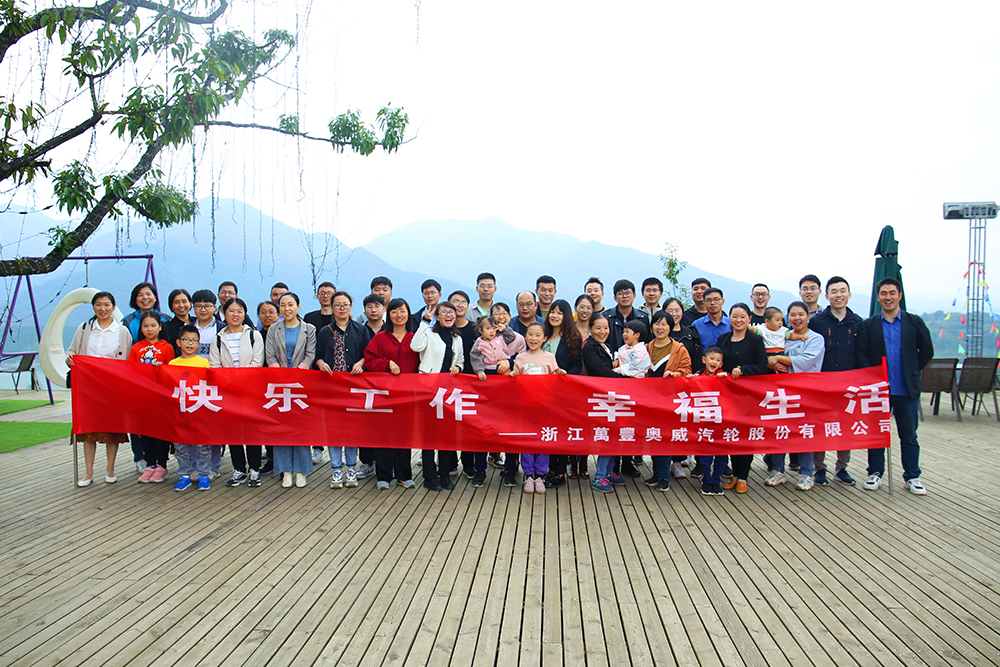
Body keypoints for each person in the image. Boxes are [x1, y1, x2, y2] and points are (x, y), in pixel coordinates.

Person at [856, 278, 933, 495]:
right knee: (877, 433)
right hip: (878, 390)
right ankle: (875, 472)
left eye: (892, 293)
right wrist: (872, 375)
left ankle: (912, 476)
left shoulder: (914, 322)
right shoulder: (869, 325)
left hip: (906, 389)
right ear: (878, 297)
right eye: (883, 293)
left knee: (909, 435)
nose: (888, 297)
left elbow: (927, 350)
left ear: (900, 295)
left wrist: (913, 369)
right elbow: (861, 353)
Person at [67, 291, 132, 487]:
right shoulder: (84, 328)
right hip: (87, 387)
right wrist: (71, 360)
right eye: (98, 305)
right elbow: (72, 352)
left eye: (106, 305)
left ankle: (110, 469)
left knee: (112, 429)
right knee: (89, 430)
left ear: (113, 307)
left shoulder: (122, 331)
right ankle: (88, 472)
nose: (102, 309)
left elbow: (127, 361)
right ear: (93, 307)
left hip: (112, 387)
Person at [763, 302, 826, 491]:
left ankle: (806, 473)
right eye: (792, 315)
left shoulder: (815, 338)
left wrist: (779, 358)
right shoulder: (782, 335)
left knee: (805, 432)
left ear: (808, 316)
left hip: (805, 392)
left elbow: (806, 361)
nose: (797, 318)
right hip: (780, 392)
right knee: (779, 430)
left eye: (801, 314)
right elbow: (766, 356)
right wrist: (770, 361)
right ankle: (778, 470)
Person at [808, 276, 864, 485]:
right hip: (822, 383)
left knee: (845, 426)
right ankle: (819, 468)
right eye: (834, 291)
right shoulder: (817, 322)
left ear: (849, 294)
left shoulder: (857, 322)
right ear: (827, 295)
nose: (838, 295)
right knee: (820, 426)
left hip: (849, 384)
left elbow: (862, 353)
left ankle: (842, 468)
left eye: (842, 291)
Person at [316, 291, 372, 488]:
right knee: (333, 429)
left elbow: (368, 353)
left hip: (353, 388)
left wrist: (360, 363)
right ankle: (336, 470)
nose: (342, 308)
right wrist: (321, 363)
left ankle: (351, 469)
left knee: (351, 429)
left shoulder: (360, 329)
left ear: (351, 306)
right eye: (338, 305)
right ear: (332, 307)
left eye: (345, 304)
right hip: (331, 388)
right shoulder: (325, 331)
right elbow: (318, 354)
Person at [210, 297, 266, 488]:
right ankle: (239, 469)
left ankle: (254, 469)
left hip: (250, 391)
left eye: (239, 311)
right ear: (223, 313)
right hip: (228, 393)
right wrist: (229, 383)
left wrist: (238, 380)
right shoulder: (218, 339)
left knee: (252, 431)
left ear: (244, 314)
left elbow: (257, 363)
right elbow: (215, 367)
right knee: (233, 432)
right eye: (231, 311)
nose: (235, 314)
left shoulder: (254, 336)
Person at [364, 297, 419, 490]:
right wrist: (387, 363)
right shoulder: (380, 338)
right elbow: (369, 360)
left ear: (408, 314)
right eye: (394, 311)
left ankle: (404, 475)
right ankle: (384, 475)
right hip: (384, 394)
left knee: (404, 435)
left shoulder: (416, 339)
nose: (399, 315)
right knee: (383, 434)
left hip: (408, 395)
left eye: (402, 311)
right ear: (389, 315)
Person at [715, 303, 770, 493]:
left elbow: (762, 365)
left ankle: (743, 477)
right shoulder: (723, 339)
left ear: (749, 319)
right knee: (731, 434)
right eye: (734, 316)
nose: (738, 320)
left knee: (746, 436)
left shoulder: (755, 340)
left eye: (742, 317)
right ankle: (735, 476)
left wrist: (743, 370)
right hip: (727, 395)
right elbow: (717, 362)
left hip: (748, 395)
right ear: (729, 318)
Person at [410, 300, 464, 491]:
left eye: (452, 312)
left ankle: (444, 475)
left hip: (448, 392)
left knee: (446, 435)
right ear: (437, 316)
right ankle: (429, 476)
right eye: (444, 312)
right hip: (428, 390)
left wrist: (458, 367)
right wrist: (424, 322)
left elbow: (460, 360)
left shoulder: (457, 338)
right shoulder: (429, 333)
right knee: (429, 435)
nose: (449, 315)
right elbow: (415, 346)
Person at [265, 292, 317, 488]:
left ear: (298, 306)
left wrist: (297, 372)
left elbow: (310, 354)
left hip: (301, 384)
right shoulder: (273, 329)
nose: (287, 309)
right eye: (283, 305)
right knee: (281, 428)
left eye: (290, 304)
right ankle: (285, 470)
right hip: (279, 384)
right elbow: (270, 355)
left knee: (301, 428)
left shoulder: (309, 329)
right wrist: (279, 372)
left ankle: (301, 470)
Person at [512, 322, 565, 494]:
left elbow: (555, 378)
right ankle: (528, 475)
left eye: (538, 335)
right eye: (530, 334)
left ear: (544, 339)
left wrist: (560, 374)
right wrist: (512, 375)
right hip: (525, 407)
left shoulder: (549, 357)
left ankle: (540, 475)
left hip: (545, 407)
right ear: (525, 336)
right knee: (527, 439)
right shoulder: (520, 358)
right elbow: (515, 380)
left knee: (543, 439)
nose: (533, 338)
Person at [644, 311, 692, 491]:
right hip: (649, 400)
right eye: (657, 323)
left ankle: (664, 476)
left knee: (664, 437)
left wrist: (676, 374)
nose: (660, 327)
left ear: (670, 327)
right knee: (653, 436)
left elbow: (687, 370)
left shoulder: (679, 349)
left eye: (664, 324)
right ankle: (656, 473)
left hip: (670, 400)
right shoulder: (646, 347)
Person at [127, 312, 176, 483]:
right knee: (145, 431)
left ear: (160, 327)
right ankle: (150, 464)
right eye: (146, 326)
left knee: (160, 431)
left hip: (161, 397)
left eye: (153, 325)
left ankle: (162, 465)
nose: (149, 329)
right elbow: (130, 371)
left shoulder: (166, 347)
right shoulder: (136, 348)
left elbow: (172, 372)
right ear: (141, 329)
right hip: (143, 397)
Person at [541, 299, 583, 488]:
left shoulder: (572, 338)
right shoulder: (543, 335)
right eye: (552, 311)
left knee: (559, 432)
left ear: (566, 316)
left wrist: (566, 377)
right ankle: (548, 469)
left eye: (559, 312)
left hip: (562, 392)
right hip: (541, 393)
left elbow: (577, 364)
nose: (555, 316)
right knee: (546, 431)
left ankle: (559, 472)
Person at [582, 313, 625, 493]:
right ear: (590, 329)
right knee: (606, 434)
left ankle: (609, 471)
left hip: (612, 395)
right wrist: (625, 379)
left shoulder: (606, 346)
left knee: (615, 433)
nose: (602, 331)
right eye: (598, 328)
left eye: (605, 328)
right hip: (600, 396)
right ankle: (599, 476)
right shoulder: (589, 347)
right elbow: (600, 370)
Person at [170, 324, 213, 492]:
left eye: (194, 340)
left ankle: (204, 474)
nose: (190, 343)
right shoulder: (172, 364)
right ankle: (184, 475)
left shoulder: (204, 363)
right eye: (186, 339)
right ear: (178, 342)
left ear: (198, 344)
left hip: (199, 410)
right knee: (181, 445)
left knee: (202, 445)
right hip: (179, 411)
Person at [303, 281, 336, 464]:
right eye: (322, 293)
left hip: (335, 372)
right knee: (314, 412)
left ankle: (336, 448)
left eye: (329, 293)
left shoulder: (339, 317)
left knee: (334, 413)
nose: (325, 296)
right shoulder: (310, 317)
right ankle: (317, 447)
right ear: (317, 296)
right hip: (314, 369)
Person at [488, 302, 524, 472]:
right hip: (492, 389)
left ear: (510, 317)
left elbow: (523, 359)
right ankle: (493, 455)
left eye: (504, 313)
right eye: (496, 313)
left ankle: (511, 466)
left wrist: (509, 362)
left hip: (513, 388)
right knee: (492, 424)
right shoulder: (486, 337)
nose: (500, 317)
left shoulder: (519, 338)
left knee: (512, 426)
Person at [692, 346, 728, 496]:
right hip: (705, 422)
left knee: (722, 455)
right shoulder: (698, 377)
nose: (714, 362)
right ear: (704, 360)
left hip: (721, 422)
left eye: (718, 360)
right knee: (705, 455)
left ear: (721, 364)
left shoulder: (724, 377)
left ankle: (716, 480)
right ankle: (706, 480)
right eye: (711, 359)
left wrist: (726, 377)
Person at [603, 279, 650, 350]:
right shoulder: (606, 317)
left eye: (628, 293)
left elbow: (646, 341)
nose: (625, 296)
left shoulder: (643, 317)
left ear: (634, 295)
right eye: (620, 294)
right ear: (615, 298)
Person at [663, 297, 702, 374]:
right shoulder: (659, 334)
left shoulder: (691, 334)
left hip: (687, 376)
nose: (674, 314)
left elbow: (697, 358)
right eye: (670, 311)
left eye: (677, 311)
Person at [164, 288, 193, 357]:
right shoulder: (166, 327)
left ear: (190, 303)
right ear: (171, 306)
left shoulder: (198, 323)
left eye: (184, 301)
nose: (181, 305)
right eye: (176, 302)